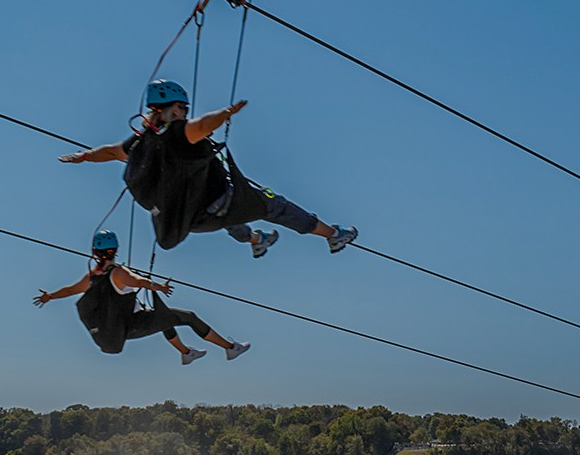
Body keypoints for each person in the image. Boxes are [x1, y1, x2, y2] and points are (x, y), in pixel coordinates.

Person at [59, 80, 358, 255]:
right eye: (182, 108)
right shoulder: (179, 134)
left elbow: (111, 152)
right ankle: (333, 235)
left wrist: (84, 156)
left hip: (191, 220)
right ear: (172, 109)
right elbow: (202, 126)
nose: (184, 112)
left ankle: (256, 240)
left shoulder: (140, 143)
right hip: (219, 206)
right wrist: (226, 113)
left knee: (226, 210)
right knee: (274, 205)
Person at [34, 230, 249, 365]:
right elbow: (137, 281)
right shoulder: (118, 272)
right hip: (132, 325)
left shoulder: (92, 277)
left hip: (120, 328)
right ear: (115, 250)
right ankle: (231, 349)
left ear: (94, 252)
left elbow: (71, 290)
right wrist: (159, 287)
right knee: (189, 317)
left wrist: (49, 297)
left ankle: (186, 353)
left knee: (164, 317)